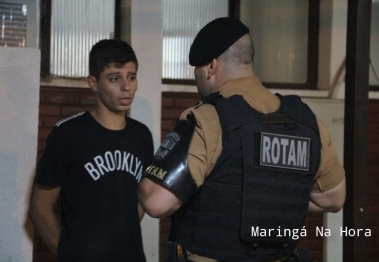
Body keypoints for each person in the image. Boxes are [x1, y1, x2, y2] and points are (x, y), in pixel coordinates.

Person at [138, 17, 346, 262]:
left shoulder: (209, 118)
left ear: (211, 67)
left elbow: (155, 202)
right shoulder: (308, 122)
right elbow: (334, 198)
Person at [29, 39, 154, 261]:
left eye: (131, 77)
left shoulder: (141, 135)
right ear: (93, 83)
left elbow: (143, 197)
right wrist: (70, 253)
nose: (126, 86)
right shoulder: (68, 134)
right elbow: (40, 208)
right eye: (114, 78)